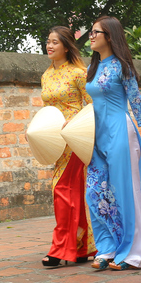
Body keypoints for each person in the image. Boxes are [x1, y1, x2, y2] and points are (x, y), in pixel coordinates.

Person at [85, 16, 141, 271]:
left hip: (120, 134)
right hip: (96, 136)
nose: (91, 36)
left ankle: (133, 254)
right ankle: (108, 247)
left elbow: (136, 101)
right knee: (95, 192)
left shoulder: (122, 67)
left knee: (126, 193)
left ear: (110, 36)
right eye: (91, 32)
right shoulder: (92, 68)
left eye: (96, 32)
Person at [40, 26, 97, 267]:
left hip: (74, 138)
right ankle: (82, 247)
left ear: (66, 46)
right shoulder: (46, 75)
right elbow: (47, 108)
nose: (50, 45)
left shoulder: (78, 73)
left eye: (55, 42)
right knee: (69, 191)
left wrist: (77, 124)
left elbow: (94, 104)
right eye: (48, 41)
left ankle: (60, 248)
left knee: (63, 189)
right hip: (55, 140)